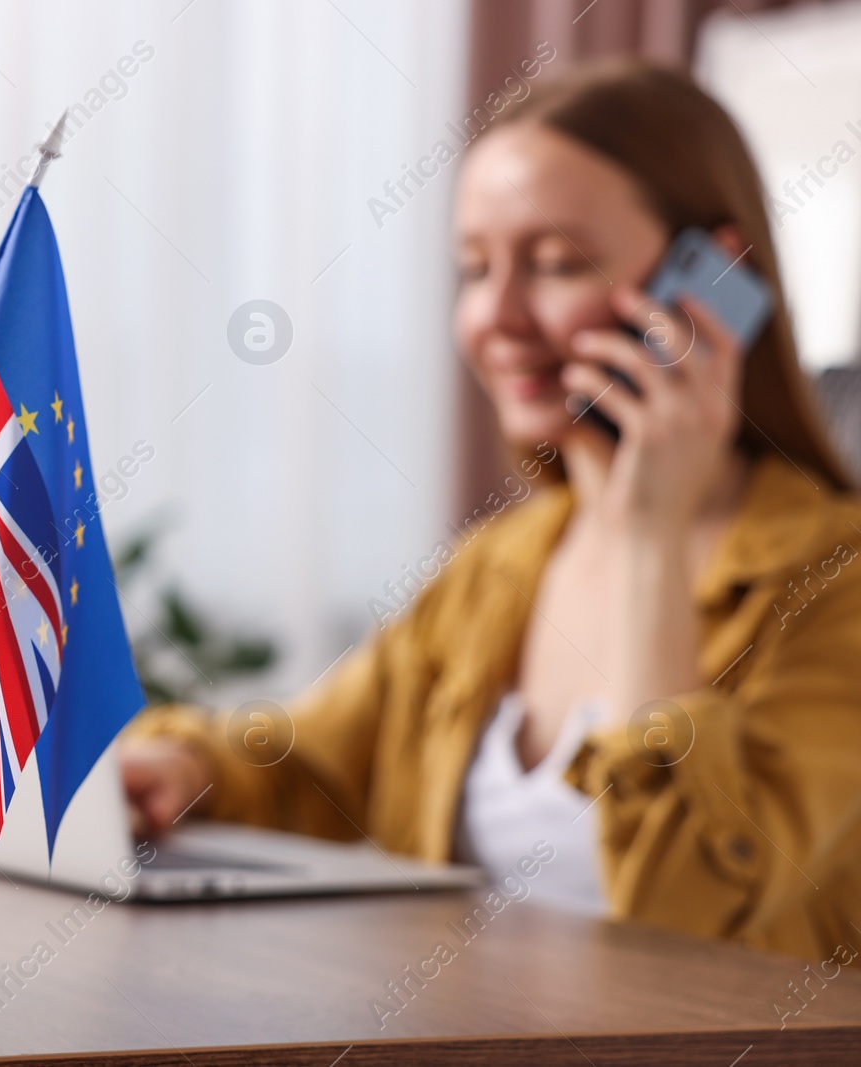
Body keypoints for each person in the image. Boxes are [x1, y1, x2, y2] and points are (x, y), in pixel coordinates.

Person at [121, 59, 861, 962]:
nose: (496, 315)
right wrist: (189, 770)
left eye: (557, 263)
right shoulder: (502, 563)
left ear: (712, 280)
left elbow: (691, 914)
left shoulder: (837, 583)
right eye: (475, 268)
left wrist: (651, 536)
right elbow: (311, 763)